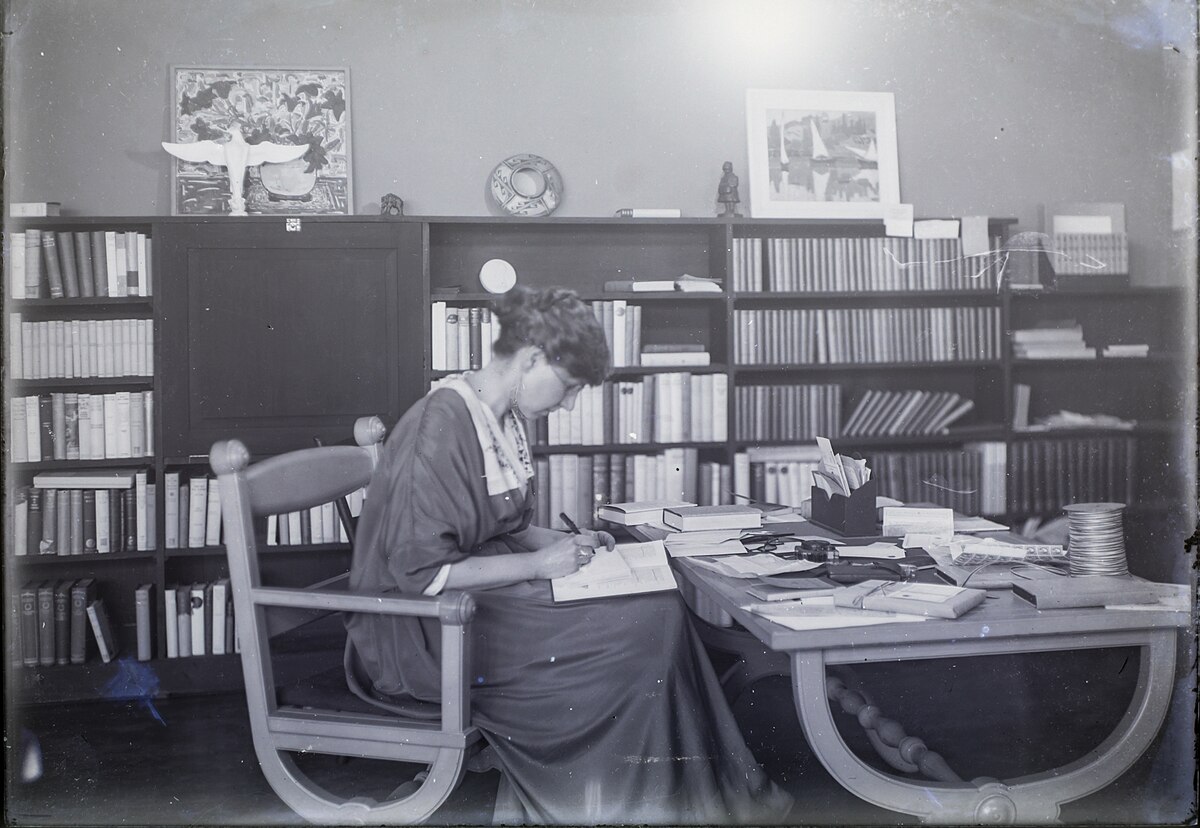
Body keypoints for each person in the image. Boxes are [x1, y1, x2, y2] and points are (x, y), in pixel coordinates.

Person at [346, 285, 792, 824]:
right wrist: (539, 565)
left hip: (481, 598)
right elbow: (420, 574)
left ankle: (685, 797)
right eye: (568, 388)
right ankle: (634, 805)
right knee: (640, 631)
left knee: (661, 606)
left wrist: (559, 543)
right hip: (424, 629)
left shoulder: (499, 416)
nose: (569, 405)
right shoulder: (437, 428)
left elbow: (499, 528)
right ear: (532, 359)